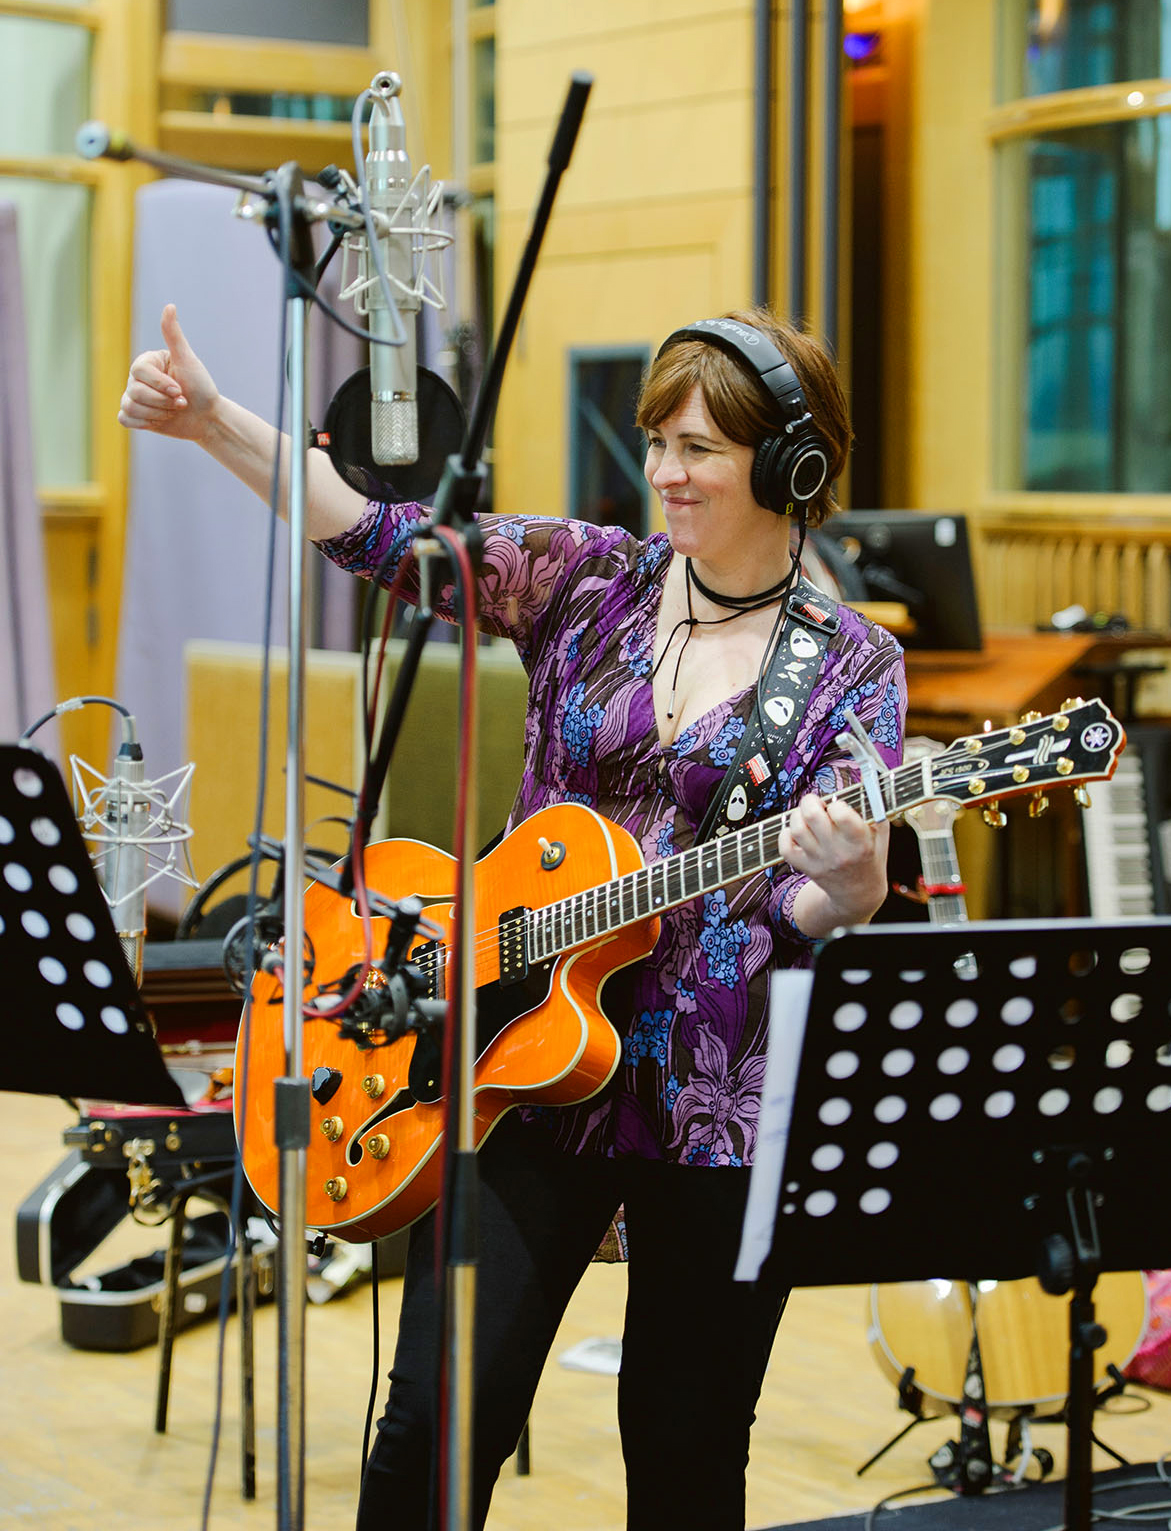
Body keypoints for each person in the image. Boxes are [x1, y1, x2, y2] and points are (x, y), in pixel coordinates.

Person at [120, 303, 907, 1530]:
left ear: (790, 466)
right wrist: (215, 421)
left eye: (699, 448)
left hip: (715, 1099)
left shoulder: (852, 663)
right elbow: (380, 535)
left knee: (686, 1451)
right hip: (514, 1053)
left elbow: (814, 900)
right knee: (429, 1434)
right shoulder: (590, 577)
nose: (664, 471)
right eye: (657, 441)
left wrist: (850, 885)